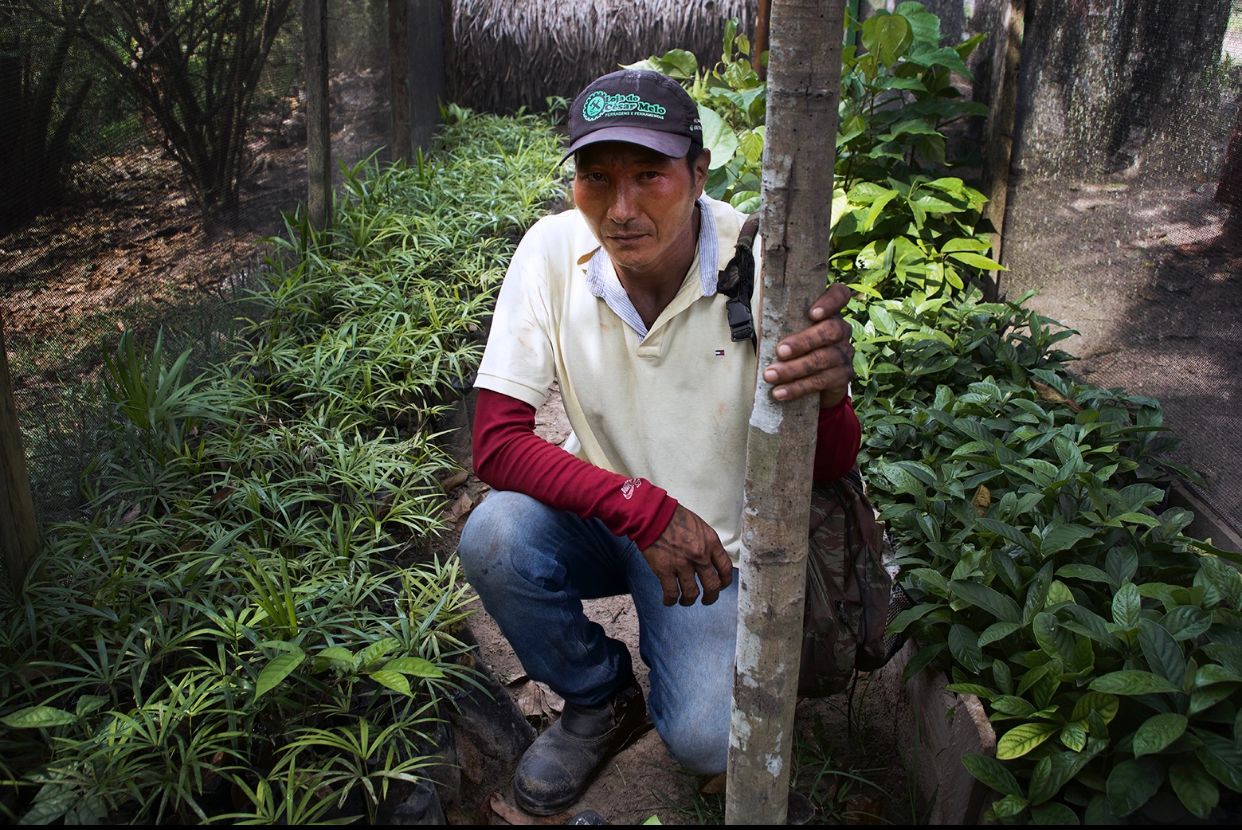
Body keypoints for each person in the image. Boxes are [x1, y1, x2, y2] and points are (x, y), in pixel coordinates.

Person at [456, 68, 861, 816]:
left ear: (698, 173)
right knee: (493, 537)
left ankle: (678, 661)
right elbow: (496, 443)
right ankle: (600, 697)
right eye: (596, 176)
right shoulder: (552, 252)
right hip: (615, 520)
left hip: (715, 556)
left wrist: (830, 397)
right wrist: (639, 508)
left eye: (650, 176)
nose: (620, 208)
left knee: (711, 740)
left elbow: (831, 465)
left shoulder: (762, 263)